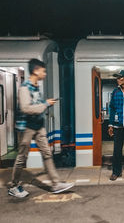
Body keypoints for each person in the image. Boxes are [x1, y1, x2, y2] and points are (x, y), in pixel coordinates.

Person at [8, 58, 74, 198]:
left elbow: (36, 105)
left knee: (47, 154)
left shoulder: (36, 86)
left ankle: (55, 184)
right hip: (26, 127)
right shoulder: (25, 87)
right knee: (21, 157)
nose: (45, 74)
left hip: (39, 126)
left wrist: (45, 104)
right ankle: (14, 186)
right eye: (43, 71)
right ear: (36, 71)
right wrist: (45, 104)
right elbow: (26, 108)